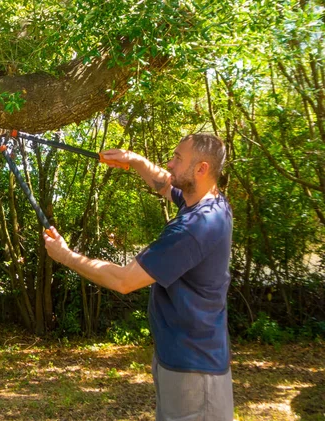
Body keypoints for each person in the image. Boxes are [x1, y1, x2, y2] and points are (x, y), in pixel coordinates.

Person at [43, 133, 234, 421]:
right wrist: (133, 160)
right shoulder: (208, 203)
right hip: (181, 357)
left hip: (195, 370)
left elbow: (124, 281)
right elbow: (165, 184)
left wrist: (66, 256)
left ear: (201, 169)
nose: (169, 163)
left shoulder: (195, 228)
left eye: (178, 158)